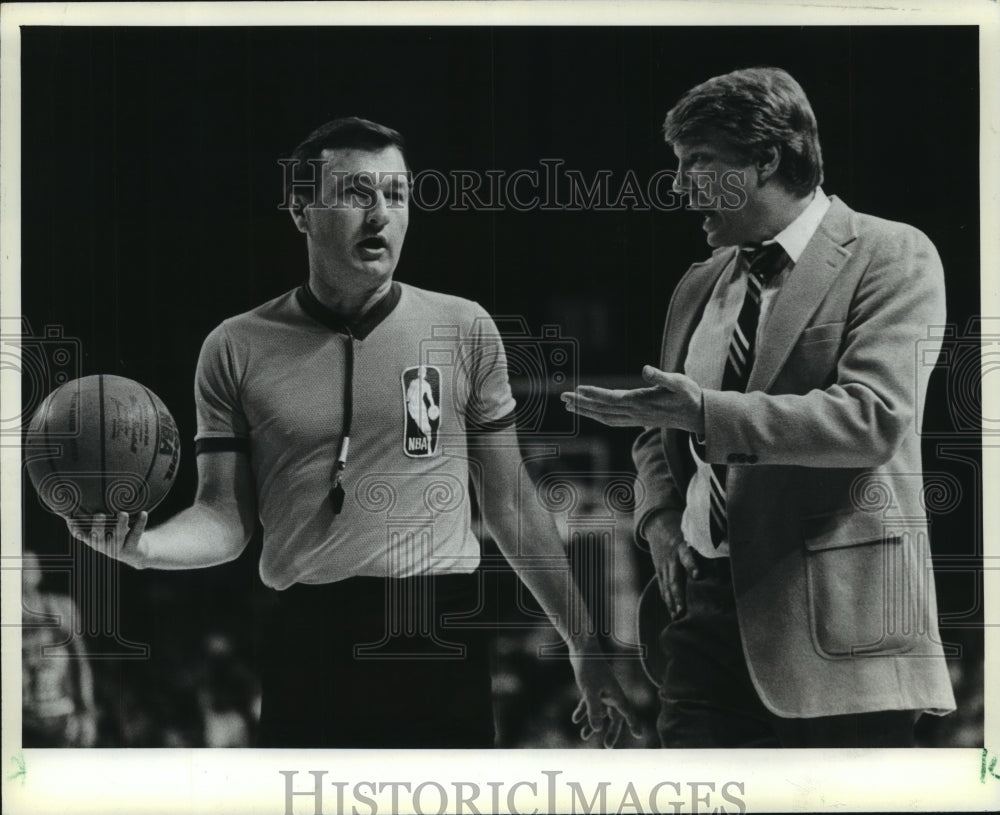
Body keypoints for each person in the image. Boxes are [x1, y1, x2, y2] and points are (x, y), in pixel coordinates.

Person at [66, 116, 638, 748]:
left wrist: (584, 643)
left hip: (438, 630)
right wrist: (144, 550)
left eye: (396, 195)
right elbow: (226, 519)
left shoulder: (464, 326)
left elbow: (510, 505)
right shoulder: (234, 346)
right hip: (308, 639)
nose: (380, 214)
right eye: (356, 193)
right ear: (300, 209)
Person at [562, 67, 956, 747]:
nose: (680, 186)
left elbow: (873, 418)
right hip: (700, 626)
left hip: (843, 632)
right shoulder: (697, 284)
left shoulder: (893, 253)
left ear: (768, 157)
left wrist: (708, 415)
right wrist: (659, 522)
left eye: (700, 162)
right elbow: (662, 431)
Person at [21, 551, 99, 747]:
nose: (24, 570)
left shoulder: (61, 605)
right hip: (23, 716)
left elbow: (80, 661)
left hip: (61, 712)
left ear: (38, 571)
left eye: (29, 564)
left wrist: (86, 710)